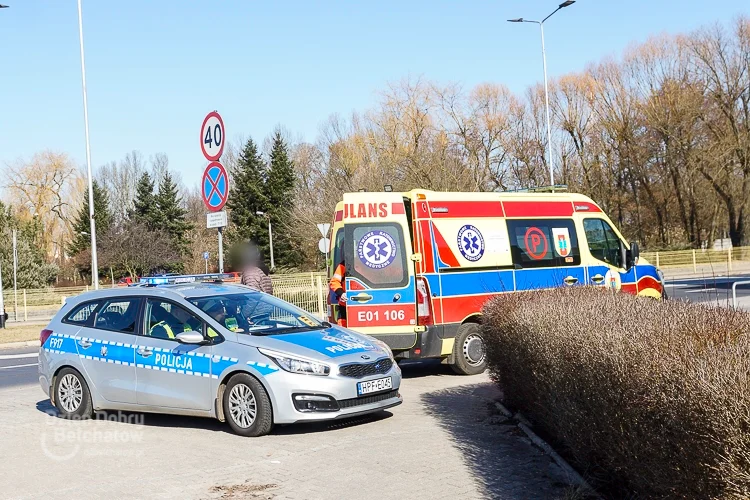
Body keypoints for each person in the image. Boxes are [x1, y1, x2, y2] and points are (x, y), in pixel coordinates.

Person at [329, 261, 347, 326]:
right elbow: (334, 282)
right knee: (344, 332)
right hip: (345, 305)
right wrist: (341, 293)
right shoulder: (344, 264)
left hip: (365, 305)